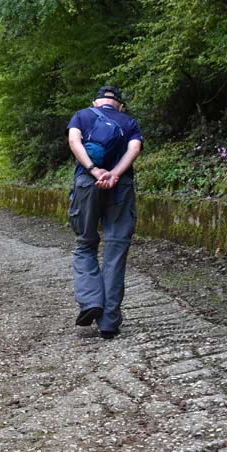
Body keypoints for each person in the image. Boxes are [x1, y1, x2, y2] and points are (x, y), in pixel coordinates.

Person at [66, 85, 142, 339]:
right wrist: (115, 174)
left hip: (87, 184)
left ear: (95, 102)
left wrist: (93, 170)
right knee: (116, 247)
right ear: (119, 105)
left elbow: (74, 141)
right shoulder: (129, 122)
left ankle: (91, 301)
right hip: (120, 188)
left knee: (85, 244)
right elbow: (134, 149)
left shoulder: (82, 115)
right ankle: (109, 322)